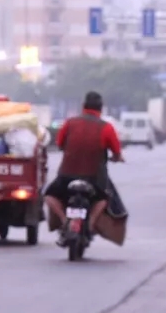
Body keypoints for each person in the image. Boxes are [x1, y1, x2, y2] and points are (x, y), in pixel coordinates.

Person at [43, 91, 123, 245]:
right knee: (104, 198)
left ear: (83, 106)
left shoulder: (70, 123)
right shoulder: (106, 128)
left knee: (49, 195)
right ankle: (91, 223)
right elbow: (117, 153)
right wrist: (117, 158)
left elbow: (60, 144)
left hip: (67, 175)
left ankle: (64, 219)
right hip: (93, 177)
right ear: (101, 109)